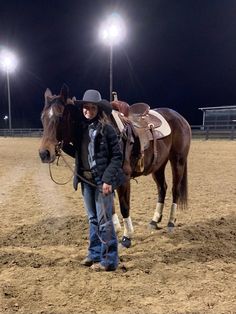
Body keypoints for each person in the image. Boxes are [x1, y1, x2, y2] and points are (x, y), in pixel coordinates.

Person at [63, 89, 126, 271]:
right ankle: (94, 254)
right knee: (93, 219)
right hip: (86, 182)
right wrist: (62, 149)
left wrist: (107, 180)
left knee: (105, 220)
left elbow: (117, 157)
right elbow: (78, 153)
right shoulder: (82, 129)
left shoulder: (107, 129)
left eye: (92, 107)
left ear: (98, 109)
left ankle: (109, 260)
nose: (88, 110)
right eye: (85, 107)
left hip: (101, 182)